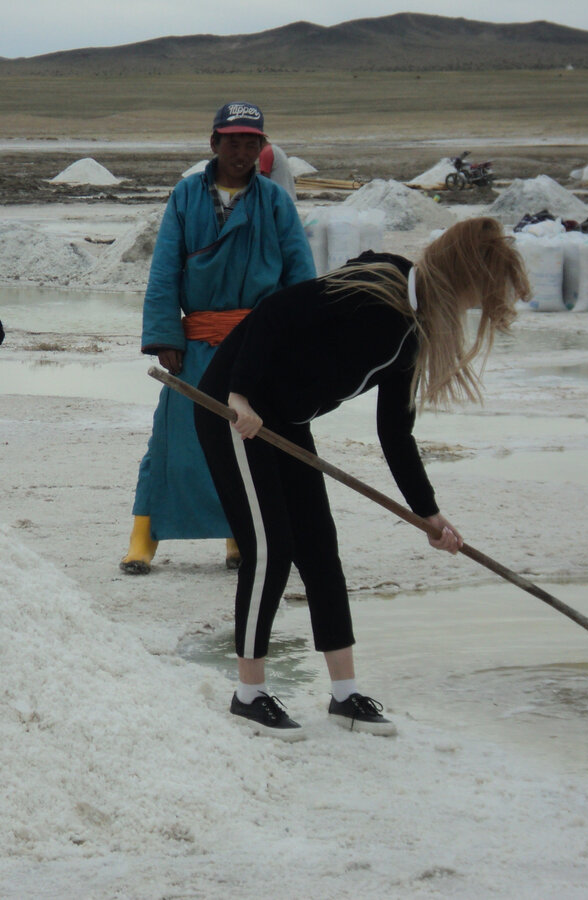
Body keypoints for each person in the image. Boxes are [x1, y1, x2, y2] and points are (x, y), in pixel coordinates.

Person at [194, 217, 528, 740]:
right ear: (461, 277)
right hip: (235, 412)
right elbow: (273, 312)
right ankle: (248, 694)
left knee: (320, 549)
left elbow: (395, 431)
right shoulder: (374, 291)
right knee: (270, 547)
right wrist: (238, 394)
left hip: (285, 421)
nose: (470, 310)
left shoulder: (412, 330)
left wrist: (428, 513)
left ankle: (346, 696)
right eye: (474, 298)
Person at [121, 101, 316, 574]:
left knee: (249, 445)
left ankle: (238, 536)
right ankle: (142, 538)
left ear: (262, 148)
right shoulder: (186, 196)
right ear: (214, 143)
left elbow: (300, 279)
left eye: (252, 143)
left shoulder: (276, 203)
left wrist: (293, 345)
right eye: (233, 141)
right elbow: (165, 269)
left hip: (256, 347)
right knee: (173, 443)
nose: (242, 151)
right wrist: (165, 335)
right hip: (198, 345)